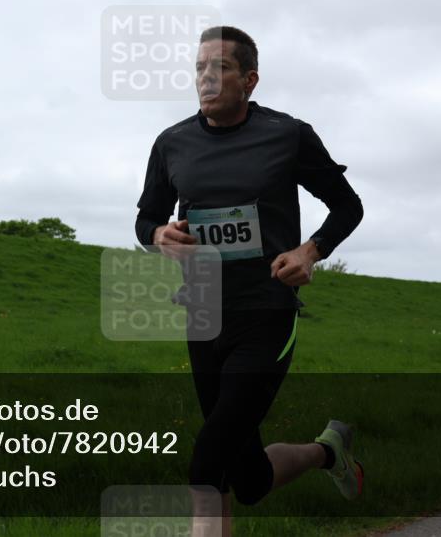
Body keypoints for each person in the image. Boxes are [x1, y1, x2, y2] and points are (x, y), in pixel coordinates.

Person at [134, 26, 365, 535]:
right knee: (250, 478)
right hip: (203, 312)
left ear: (250, 79)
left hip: (266, 311)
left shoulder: (287, 135)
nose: (205, 78)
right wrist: (160, 236)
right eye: (199, 68)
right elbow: (146, 219)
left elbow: (348, 206)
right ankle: (329, 452)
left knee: (206, 465)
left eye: (220, 68)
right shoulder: (172, 143)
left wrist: (311, 251)